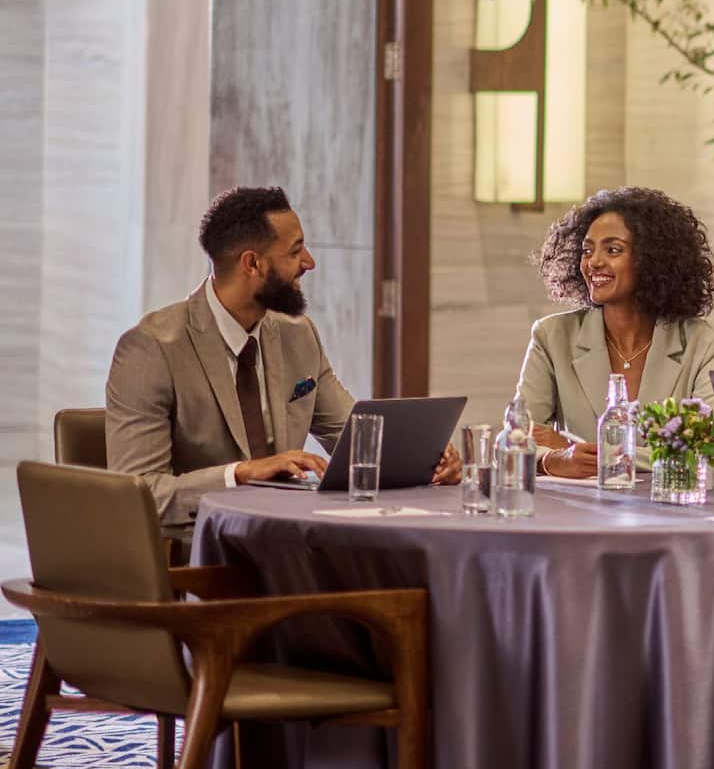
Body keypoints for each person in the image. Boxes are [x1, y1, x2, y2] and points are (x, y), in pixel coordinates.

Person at [106, 187, 458, 540]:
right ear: (252, 264)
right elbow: (141, 494)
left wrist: (425, 461)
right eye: (295, 251)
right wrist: (241, 474)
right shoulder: (151, 348)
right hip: (208, 549)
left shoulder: (298, 335)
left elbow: (357, 438)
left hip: (291, 539)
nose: (309, 262)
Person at [517, 186, 714, 478]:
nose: (594, 262)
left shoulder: (705, 344)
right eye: (587, 250)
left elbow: (711, 454)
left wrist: (586, 451)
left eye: (613, 249)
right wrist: (551, 460)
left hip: (668, 516)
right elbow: (515, 441)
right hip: (579, 516)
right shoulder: (552, 336)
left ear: (652, 259)